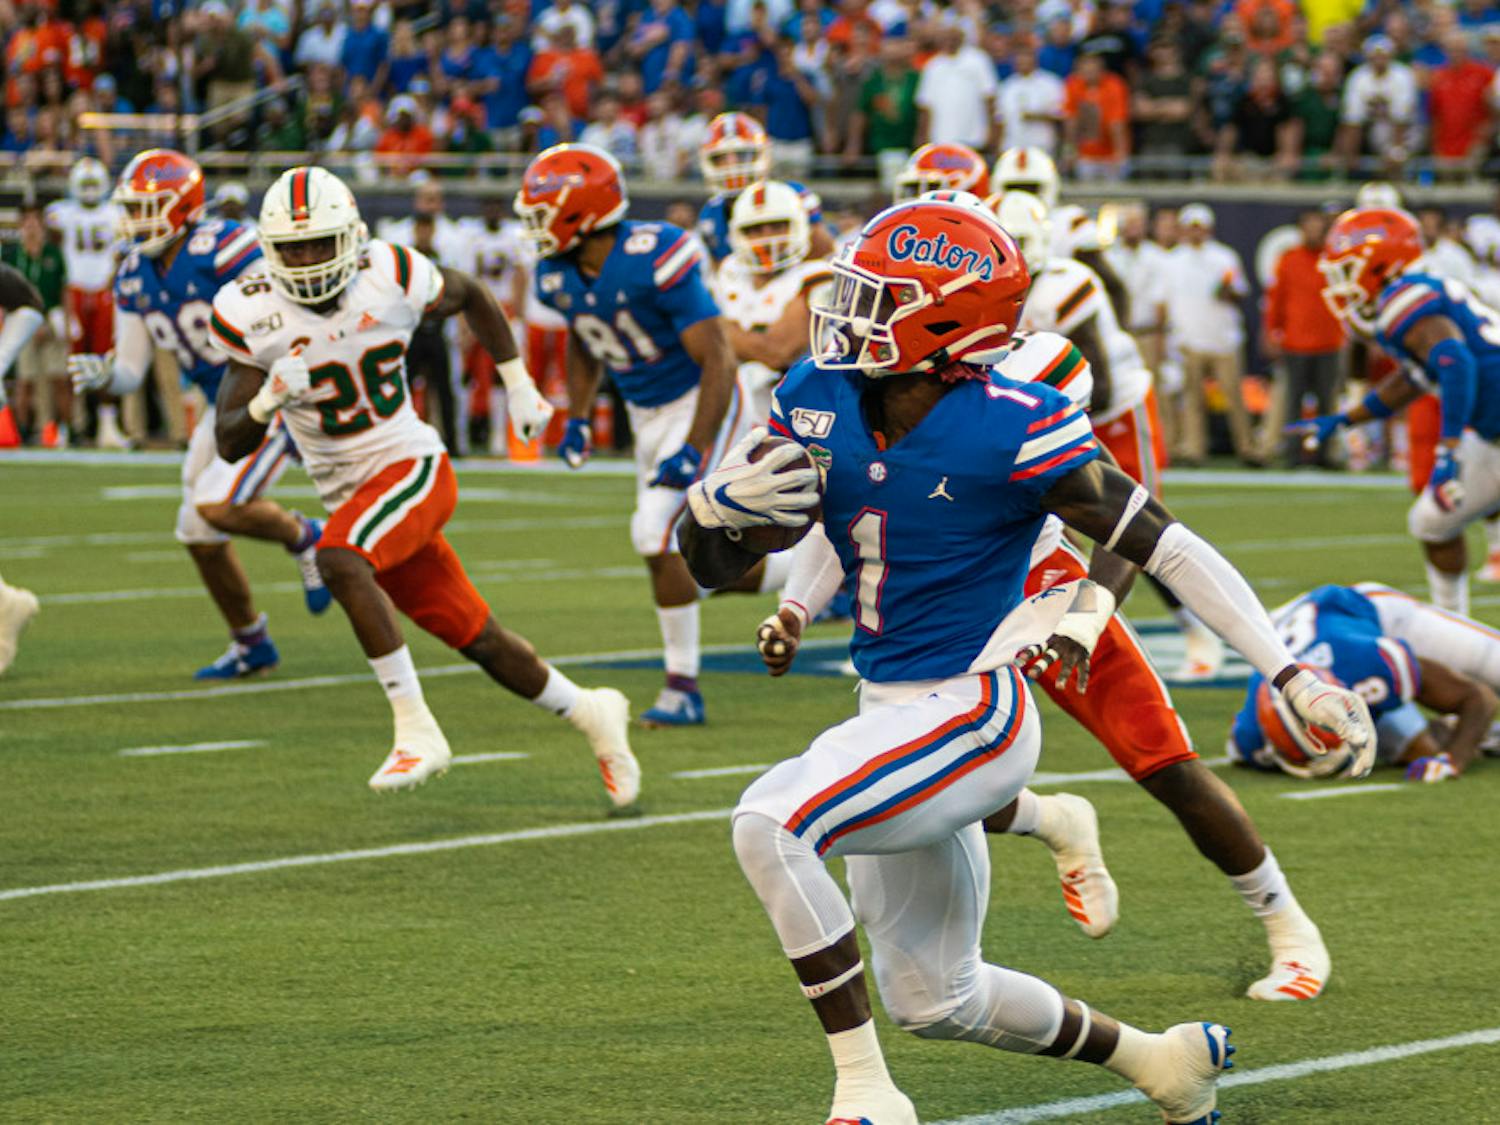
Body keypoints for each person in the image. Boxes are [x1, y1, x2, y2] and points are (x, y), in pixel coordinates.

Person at [677, 193, 1374, 1124]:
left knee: (769, 822)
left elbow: (1164, 543)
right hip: (886, 703)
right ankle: (1159, 1061)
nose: (846, 312)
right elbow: (718, 567)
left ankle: (866, 1091)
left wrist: (1289, 672)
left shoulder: (1012, 422)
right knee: (936, 997)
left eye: (877, 298)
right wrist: (709, 518)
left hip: (978, 705)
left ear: (944, 324)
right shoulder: (816, 394)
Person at [210, 165, 638, 801]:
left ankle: (415, 729)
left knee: (337, 557)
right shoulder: (252, 309)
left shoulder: (390, 272)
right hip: (355, 495)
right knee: (480, 639)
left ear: (350, 238)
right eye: (292, 248)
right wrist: (266, 400)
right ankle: (590, 710)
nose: (305, 260)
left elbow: (472, 295)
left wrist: (518, 383)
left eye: (319, 244)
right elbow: (229, 440)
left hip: (412, 467)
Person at [519, 143, 768, 727]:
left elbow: (719, 357)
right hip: (644, 411)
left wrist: (695, 446)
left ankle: (682, 688)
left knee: (653, 533)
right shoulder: (555, 273)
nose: (533, 226)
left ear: (580, 210)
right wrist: (578, 416)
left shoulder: (655, 255)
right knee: (685, 555)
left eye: (542, 212)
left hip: (701, 397)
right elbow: (585, 337)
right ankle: (818, 572)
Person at [68, 149, 329, 680]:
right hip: (222, 405)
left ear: (181, 205)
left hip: (273, 394)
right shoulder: (134, 273)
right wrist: (105, 374)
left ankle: (307, 537)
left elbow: (287, 305)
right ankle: (251, 643)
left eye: (144, 208)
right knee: (196, 531)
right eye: (130, 209)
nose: (133, 220)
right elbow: (132, 370)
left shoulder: (224, 247)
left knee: (215, 504)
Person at [1297, 206, 1500, 619]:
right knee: (1431, 522)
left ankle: (1454, 628)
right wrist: (1347, 418)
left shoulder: (1403, 301)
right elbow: (1413, 380)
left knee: (1433, 520)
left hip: (1490, 430)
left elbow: (1455, 362)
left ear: (1381, 264)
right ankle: (1454, 628)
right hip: (1491, 432)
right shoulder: (1415, 292)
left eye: (1348, 269)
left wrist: (1447, 449)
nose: (1342, 284)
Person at [1230, 583, 1499, 783]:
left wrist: (1452, 761)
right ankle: (1478, 733)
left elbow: (1478, 697)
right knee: (1422, 751)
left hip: (1366, 613)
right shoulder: (1252, 735)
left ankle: (1474, 730)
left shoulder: (1365, 664)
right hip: (1294, 634)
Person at [717, 180, 833, 425]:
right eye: (755, 229)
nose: (766, 238)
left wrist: (719, 330)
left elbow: (777, 351)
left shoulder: (819, 274)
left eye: (778, 227)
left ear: (799, 225)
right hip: (736, 410)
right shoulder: (730, 270)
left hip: (802, 411)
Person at [1161, 203, 1253, 466]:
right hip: (1188, 339)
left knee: (1234, 396)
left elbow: (1239, 292)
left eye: (1199, 227)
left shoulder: (1224, 257)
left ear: (1209, 229)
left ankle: (1247, 448)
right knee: (1192, 399)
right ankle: (1194, 449)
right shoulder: (1172, 261)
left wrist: (1226, 291)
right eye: (1191, 227)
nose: (1196, 232)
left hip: (1223, 339)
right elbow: (1164, 302)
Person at [47, 156, 128, 449]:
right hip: (75, 292)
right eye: (86, 183)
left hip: (104, 292)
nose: (90, 189)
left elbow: (123, 253)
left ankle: (107, 425)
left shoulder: (114, 213)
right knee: (72, 363)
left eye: (94, 183)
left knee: (105, 360)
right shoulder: (62, 213)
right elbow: (52, 252)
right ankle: (68, 426)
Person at [1263, 207, 1345, 467]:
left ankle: (1325, 454)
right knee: (1293, 402)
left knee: (1327, 402)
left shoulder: (1334, 259)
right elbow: (1276, 299)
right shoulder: (1289, 259)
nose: (1313, 230)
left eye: (1317, 224)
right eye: (1308, 224)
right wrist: (1271, 331)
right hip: (1295, 341)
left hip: (1329, 340)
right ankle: (1293, 454)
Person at [2, 206, 68, 447]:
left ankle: (64, 428)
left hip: (43, 314)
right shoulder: (12, 255)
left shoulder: (52, 254)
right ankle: (22, 429)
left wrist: (66, 324)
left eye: (35, 222)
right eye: (27, 222)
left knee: (57, 376)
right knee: (25, 379)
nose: (31, 228)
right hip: (17, 315)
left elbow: (61, 292)